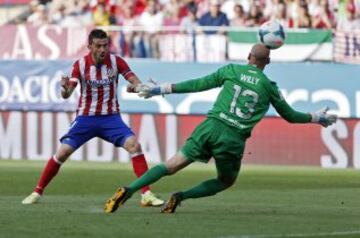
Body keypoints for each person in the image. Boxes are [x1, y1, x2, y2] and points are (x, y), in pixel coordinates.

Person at [103, 43, 338, 214]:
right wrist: (316, 117)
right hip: (233, 138)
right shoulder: (270, 87)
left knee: (171, 165)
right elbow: (290, 115)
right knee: (225, 180)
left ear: (248, 57)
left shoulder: (231, 71)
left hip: (210, 126)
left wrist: (159, 89)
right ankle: (181, 196)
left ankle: (129, 189)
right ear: (267, 62)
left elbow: (197, 84)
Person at [22, 29, 164, 207]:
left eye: (105, 45)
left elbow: (134, 80)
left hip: (111, 118)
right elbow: (67, 94)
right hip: (86, 119)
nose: (102, 49)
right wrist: (65, 88)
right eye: (98, 46)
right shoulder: (80, 65)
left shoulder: (116, 61)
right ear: (90, 46)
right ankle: (37, 192)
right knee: (63, 152)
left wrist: (140, 87)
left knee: (134, 145)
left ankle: (146, 194)